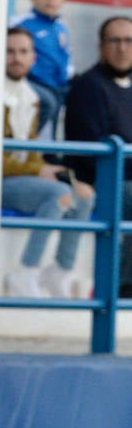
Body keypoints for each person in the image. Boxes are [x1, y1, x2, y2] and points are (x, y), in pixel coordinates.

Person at [0, 28, 93, 298]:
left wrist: (57, 173)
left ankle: (60, 270)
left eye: (23, 51)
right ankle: (25, 272)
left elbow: (28, 153)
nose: (17, 58)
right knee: (58, 194)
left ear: (33, 58)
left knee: (83, 195)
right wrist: (40, 170)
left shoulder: (32, 98)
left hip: (11, 179)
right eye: (9, 51)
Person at [63, 16, 132, 298]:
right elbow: (90, 153)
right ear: (101, 46)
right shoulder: (88, 86)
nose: (122, 48)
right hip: (99, 180)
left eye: (128, 41)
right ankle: (122, 287)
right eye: (114, 41)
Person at [13, 0, 74, 138]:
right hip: (32, 82)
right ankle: (26, 145)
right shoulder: (21, 23)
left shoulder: (61, 28)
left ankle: (55, 151)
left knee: (79, 99)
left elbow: (66, 58)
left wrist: (67, 76)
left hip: (58, 85)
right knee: (49, 103)